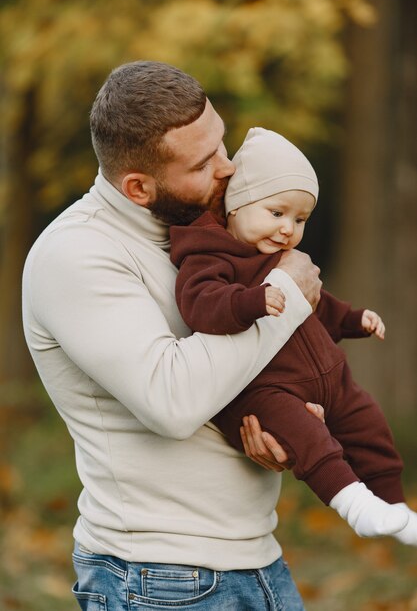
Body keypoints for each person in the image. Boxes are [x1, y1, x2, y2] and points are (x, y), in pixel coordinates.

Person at [22, 61, 324, 611]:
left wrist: (291, 418)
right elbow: (172, 398)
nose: (229, 169)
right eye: (205, 162)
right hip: (160, 579)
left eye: (223, 144)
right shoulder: (77, 255)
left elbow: (238, 369)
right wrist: (288, 295)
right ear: (138, 187)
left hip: (256, 560)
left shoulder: (203, 236)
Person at [170, 127, 417, 545]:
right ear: (236, 205)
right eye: (276, 212)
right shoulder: (208, 255)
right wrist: (250, 302)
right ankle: (354, 504)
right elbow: (200, 303)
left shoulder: (279, 255)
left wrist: (355, 320)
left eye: (300, 219)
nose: (288, 228)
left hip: (329, 374)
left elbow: (317, 303)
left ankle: (394, 509)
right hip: (268, 387)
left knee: (370, 424)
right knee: (309, 438)